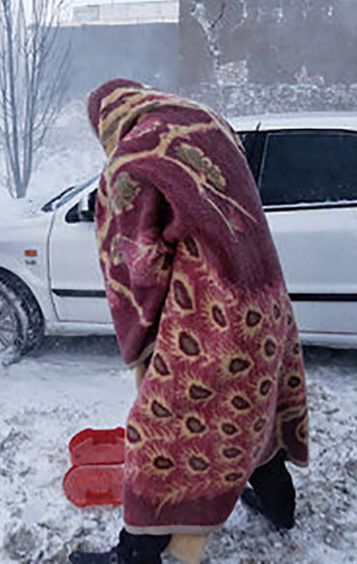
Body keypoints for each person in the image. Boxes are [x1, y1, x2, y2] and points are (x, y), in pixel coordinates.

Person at [70, 80, 310, 564]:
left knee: (162, 433)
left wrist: (142, 337)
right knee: (251, 408)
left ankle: (138, 553)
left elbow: (138, 263)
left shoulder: (134, 157)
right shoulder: (210, 126)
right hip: (264, 300)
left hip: (205, 317)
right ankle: (278, 505)